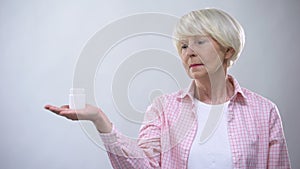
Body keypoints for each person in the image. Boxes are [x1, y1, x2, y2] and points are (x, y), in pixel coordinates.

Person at [45, 8, 291, 169]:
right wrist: (100, 120)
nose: (189, 51)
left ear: (228, 50)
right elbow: (142, 165)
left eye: (200, 41)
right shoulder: (164, 108)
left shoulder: (264, 111)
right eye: (183, 46)